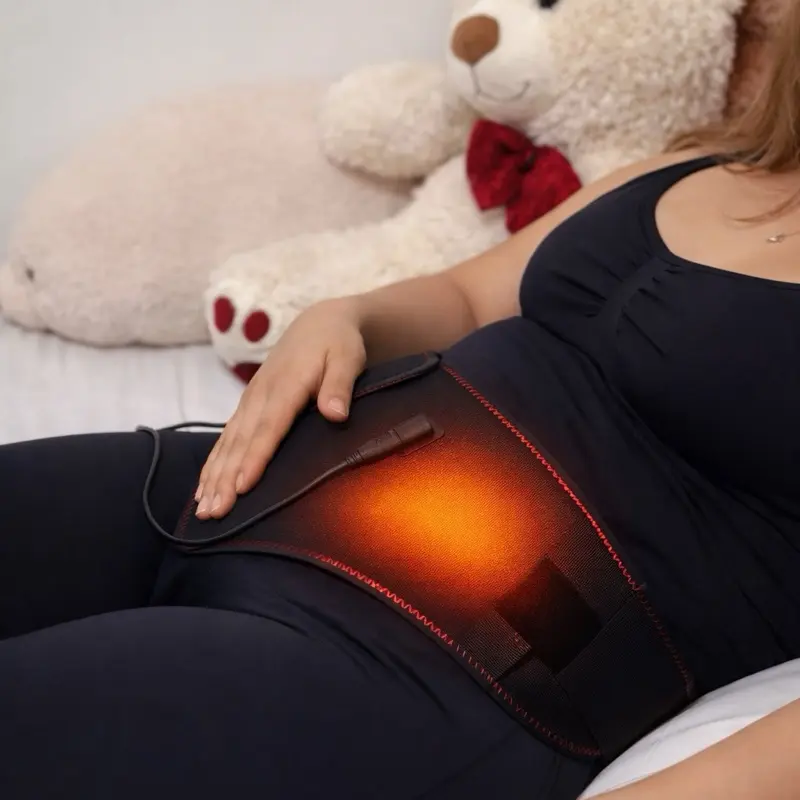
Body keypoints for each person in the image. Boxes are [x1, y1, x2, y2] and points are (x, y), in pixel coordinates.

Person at [6, 7, 800, 798]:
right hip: (241, 482)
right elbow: (466, 296)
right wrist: (348, 315)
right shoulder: (692, 166)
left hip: (416, 659)